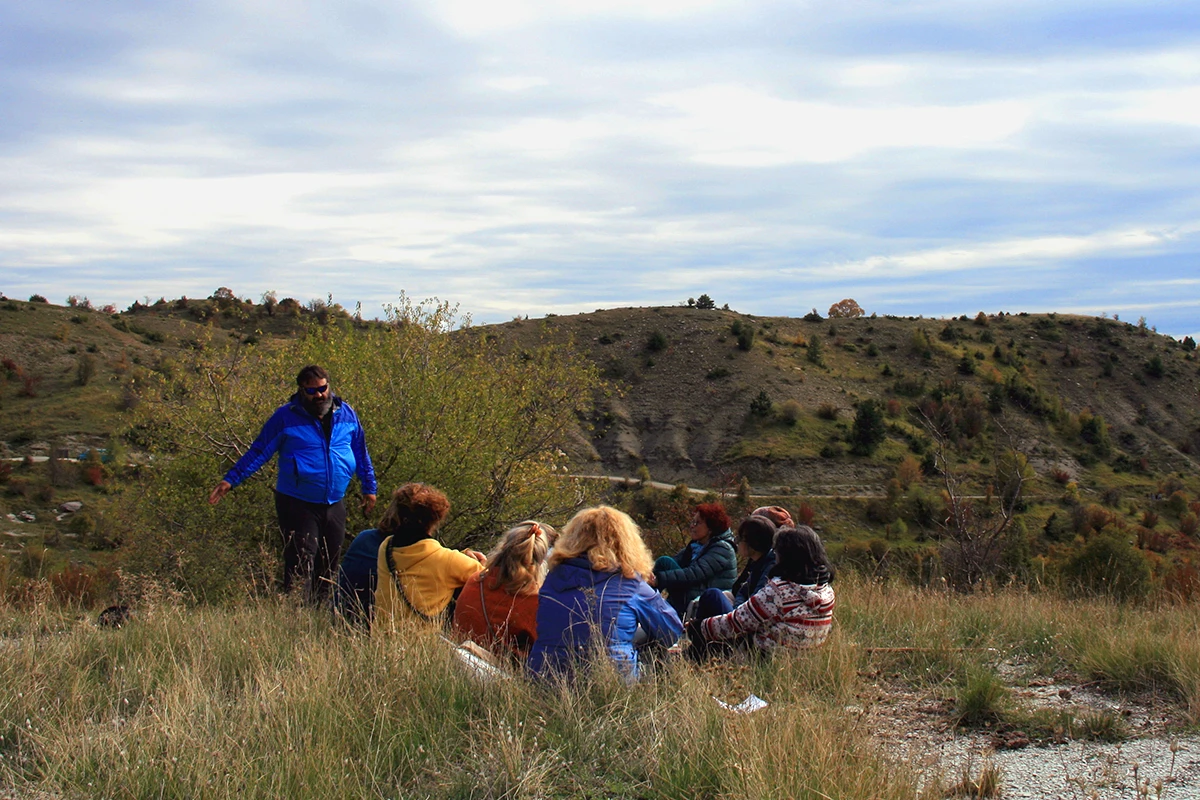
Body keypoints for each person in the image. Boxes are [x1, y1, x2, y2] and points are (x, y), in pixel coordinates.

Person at [208, 364, 376, 603]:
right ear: (301, 391)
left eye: (323, 389)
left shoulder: (346, 414)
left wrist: (369, 488)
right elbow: (259, 452)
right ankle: (296, 616)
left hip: (334, 501)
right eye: (312, 391)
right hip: (297, 502)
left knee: (329, 561)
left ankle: (322, 616)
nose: (319, 395)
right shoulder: (285, 417)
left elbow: (361, 452)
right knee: (299, 563)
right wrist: (230, 480)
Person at [528, 506, 682, 681]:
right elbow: (671, 632)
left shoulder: (552, 578)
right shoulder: (632, 584)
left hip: (544, 678)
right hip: (609, 684)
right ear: (626, 542)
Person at [691, 525, 836, 658]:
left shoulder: (780, 591)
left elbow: (737, 623)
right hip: (802, 659)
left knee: (713, 598)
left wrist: (699, 627)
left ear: (787, 556)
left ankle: (694, 657)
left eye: (777, 551)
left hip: (764, 657)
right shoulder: (825, 590)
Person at [372, 483, 486, 636]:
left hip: (380, 641)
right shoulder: (449, 561)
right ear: (435, 519)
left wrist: (461, 555)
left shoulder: (385, 547)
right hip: (422, 649)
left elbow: (428, 562)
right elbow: (488, 578)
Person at [453, 520, 556, 660]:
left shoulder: (476, 580)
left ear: (503, 547)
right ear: (540, 562)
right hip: (496, 675)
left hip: (457, 659)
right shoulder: (535, 602)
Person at [652, 502, 737, 619]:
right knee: (664, 562)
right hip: (693, 589)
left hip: (703, 595)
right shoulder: (697, 545)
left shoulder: (722, 548)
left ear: (711, 528)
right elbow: (674, 561)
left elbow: (695, 573)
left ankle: (646, 605)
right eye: (692, 522)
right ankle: (646, 602)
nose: (692, 526)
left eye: (697, 523)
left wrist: (658, 579)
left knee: (664, 564)